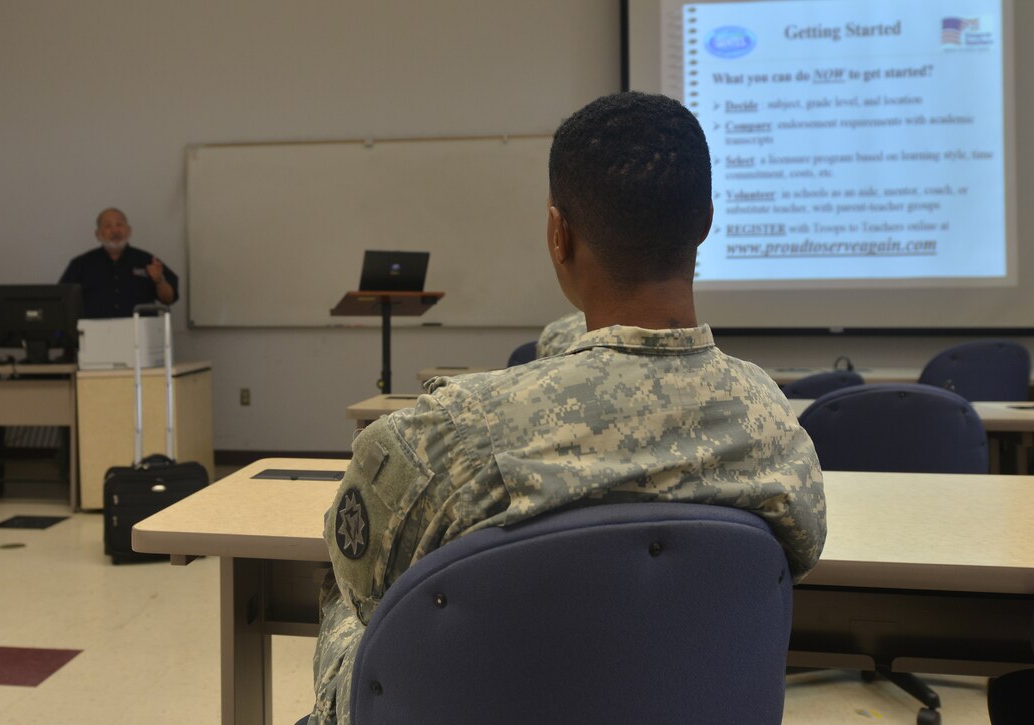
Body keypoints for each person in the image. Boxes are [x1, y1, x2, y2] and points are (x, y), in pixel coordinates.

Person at [309, 92, 827, 723]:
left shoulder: (453, 436)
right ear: (706, 222)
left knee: (337, 593)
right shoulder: (772, 425)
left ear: (559, 233)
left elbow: (361, 580)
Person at [59, 208, 179, 319]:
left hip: (140, 334)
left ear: (129, 230)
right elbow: (62, 301)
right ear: (97, 234)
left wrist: (159, 280)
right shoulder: (81, 264)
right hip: (94, 334)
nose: (115, 230)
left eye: (119, 224)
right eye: (108, 226)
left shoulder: (148, 261)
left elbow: (169, 299)